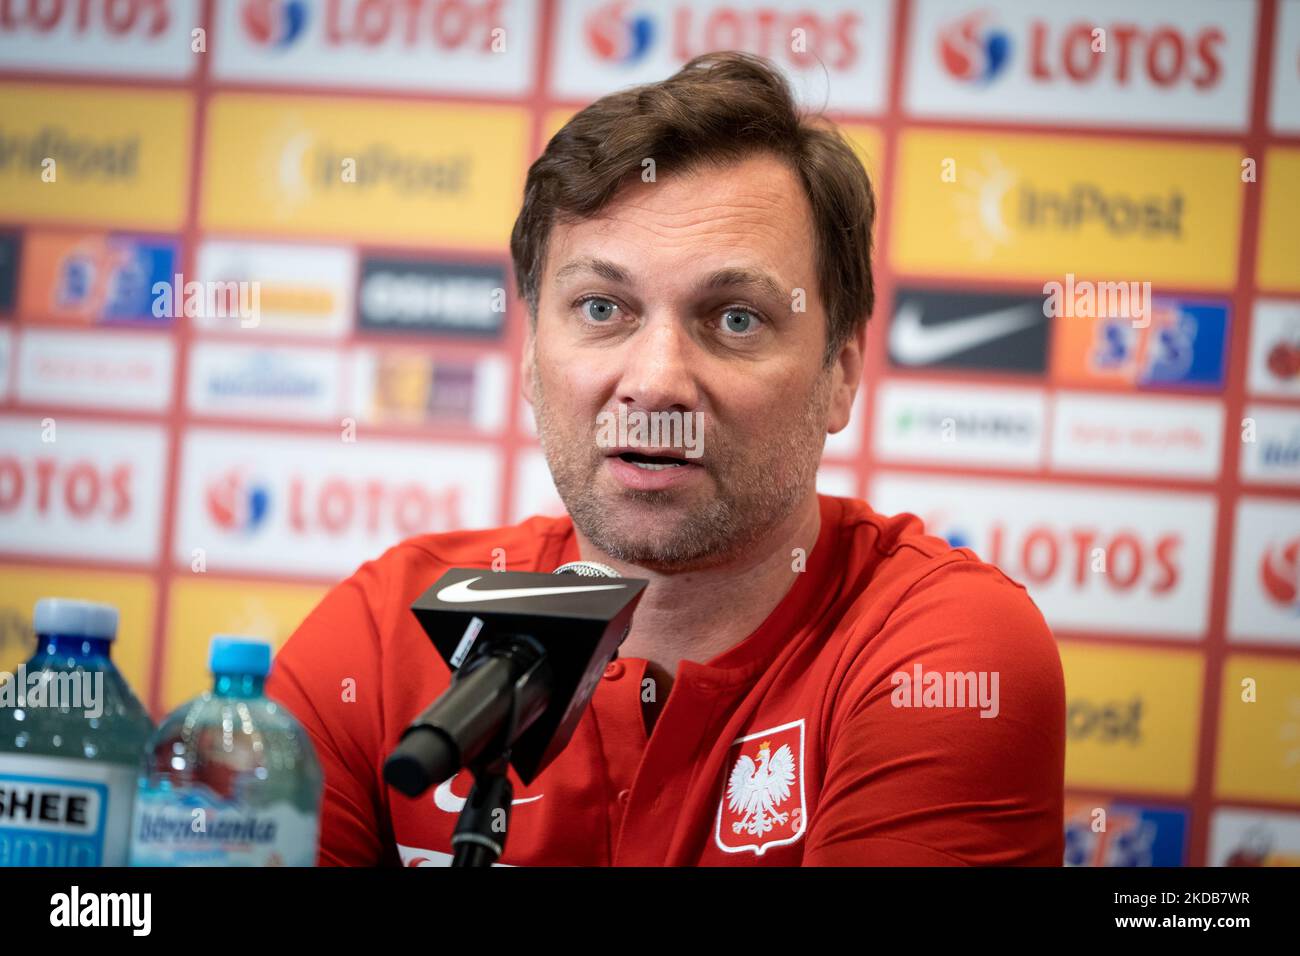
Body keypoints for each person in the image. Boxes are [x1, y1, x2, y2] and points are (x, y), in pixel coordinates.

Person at [267, 51, 1065, 866]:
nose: (654, 384)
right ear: (532, 361)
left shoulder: (937, 648)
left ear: (841, 376)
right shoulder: (381, 634)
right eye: (602, 307)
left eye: (736, 320)